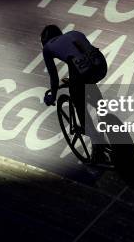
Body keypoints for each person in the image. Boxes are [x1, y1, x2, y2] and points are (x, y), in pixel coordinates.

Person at [40, 24, 109, 164]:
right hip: (101, 65)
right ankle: (106, 118)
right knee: (90, 86)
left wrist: (52, 96)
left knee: (79, 105)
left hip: (80, 71)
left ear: (45, 41)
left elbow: (54, 77)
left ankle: (97, 147)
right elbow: (84, 57)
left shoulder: (47, 48)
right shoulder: (73, 33)